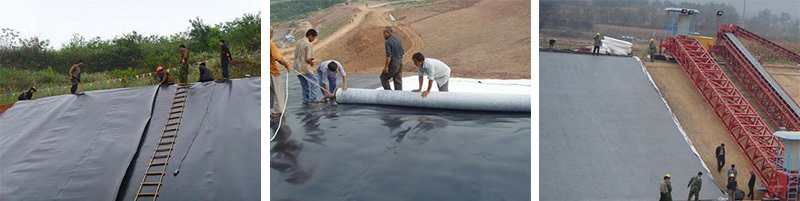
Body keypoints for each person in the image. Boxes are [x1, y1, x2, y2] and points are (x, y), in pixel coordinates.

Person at [294, 29, 319, 105]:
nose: (314, 40)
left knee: (304, 85)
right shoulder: (308, 44)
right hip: (304, 67)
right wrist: (311, 63)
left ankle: (305, 101)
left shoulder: (298, 42)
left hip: (297, 68)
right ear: (311, 36)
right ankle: (313, 100)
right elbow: (308, 58)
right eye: (314, 38)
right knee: (315, 82)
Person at [271, 27, 291, 117]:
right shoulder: (270, 43)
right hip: (272, 71)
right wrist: (286, 65)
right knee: (278, 91)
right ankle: (278, 111)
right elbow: (278, 58)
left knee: (270, 92)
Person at [380, 26, 404, 91]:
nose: (383, 35)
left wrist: (386, 67)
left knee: (383, 78)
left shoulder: (388, 41)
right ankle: (398, 97)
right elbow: (402, 52)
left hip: (393, 64)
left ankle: (389, 95)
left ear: (388, 33)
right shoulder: (398, 39)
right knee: (398, 81)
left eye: (384, 33)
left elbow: (388, 56)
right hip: (400, 63)